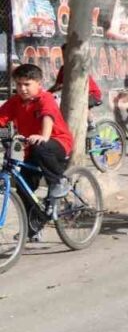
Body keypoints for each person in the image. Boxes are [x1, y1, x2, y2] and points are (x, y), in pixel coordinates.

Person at [0, 64, 73, 237]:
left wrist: (44, 136)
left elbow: (48, 116)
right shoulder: (16, 101)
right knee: (23, 187)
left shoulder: (45, 98)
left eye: (27, 84)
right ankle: (33, 226)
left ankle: (59, 181)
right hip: (32, 148)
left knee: (41, 147)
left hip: (57, 143)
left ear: (39, 84)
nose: (22, 89)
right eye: (19, 84)